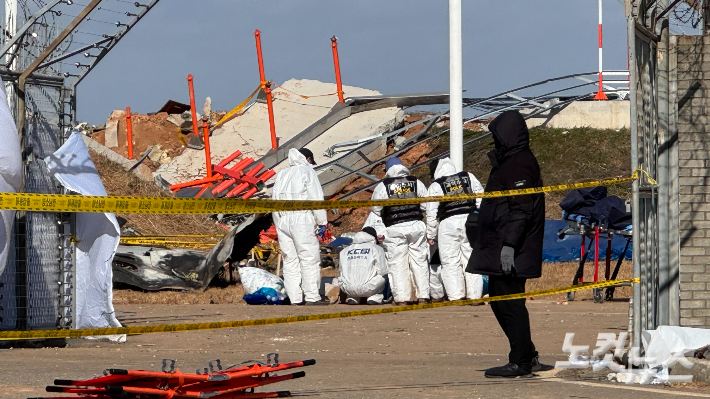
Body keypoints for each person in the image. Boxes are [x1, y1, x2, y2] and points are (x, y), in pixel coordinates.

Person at [467, 110, 544, 378]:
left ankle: (521, 361)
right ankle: (527, 354)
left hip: (510, 249)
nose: (495, 141)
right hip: (499, 244)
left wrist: (509, 246)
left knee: (510, 304)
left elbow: (520, 210)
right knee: (501, 302)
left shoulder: (519, 164)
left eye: (498, 136)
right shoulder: (510, 161)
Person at [272, 147, 329, 306]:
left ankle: (295, 298)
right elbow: (316, 198)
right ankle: (312, 296)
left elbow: (274, 202)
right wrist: (322, 222)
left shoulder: (282, 175)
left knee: (290, 260)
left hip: (283, 219)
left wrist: (278, 224)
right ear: (308, 159)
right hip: (301, 218)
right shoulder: (307, 171)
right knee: (309, 257)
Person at [371, 157, 430, 305]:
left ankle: (402, 298)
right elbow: (426, 205)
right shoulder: (416, 182)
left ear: (387, 170)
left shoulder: (383, 186)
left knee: (397, 264)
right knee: (420, 262)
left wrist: (380, 230)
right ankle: (423, 296)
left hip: (395, 228)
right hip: (416, 226)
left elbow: (375, 209)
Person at [426, 157, 485, 301]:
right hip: (470, 221)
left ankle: (456, 296)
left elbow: (431, 212)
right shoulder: (468, 177)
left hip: (448, 224)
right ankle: (475, 296)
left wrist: (431, 234)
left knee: (450, 261)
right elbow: (481, 198)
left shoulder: (436, 185)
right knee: (471, 258)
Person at [337, 227, 388, 305]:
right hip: (370, 287)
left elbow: (340, 271)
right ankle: (374, 298)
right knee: (385, 275)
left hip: (347, 288)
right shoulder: (376, 248)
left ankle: (353, 297)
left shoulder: (345, 250)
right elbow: (383, 271)